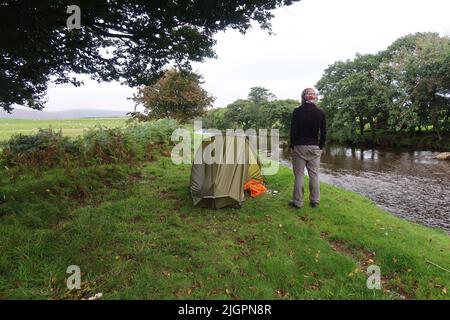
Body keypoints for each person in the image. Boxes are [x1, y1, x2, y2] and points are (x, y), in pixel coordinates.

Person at [289, 88, 326, 209]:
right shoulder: (320, 112)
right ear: (314, 97)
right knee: (314, 175)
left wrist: (292, 145)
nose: (312, 95)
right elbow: (324, 132)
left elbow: (293, 131)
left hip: (299, 146)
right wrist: (321, 146)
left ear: (303, 97)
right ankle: (315, 201)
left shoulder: (297, 111)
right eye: (312, 94)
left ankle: (298, 202)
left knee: (299, 175)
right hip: (314, 147)